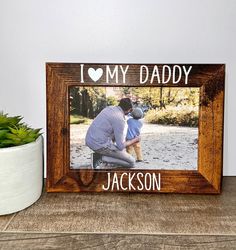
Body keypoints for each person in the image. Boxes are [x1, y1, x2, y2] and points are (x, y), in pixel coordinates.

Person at [85, 98, 139, 168]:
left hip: (90, 140)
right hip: (99, 145)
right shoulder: (120, 119)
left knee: (120, 153)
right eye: (131, 110)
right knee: (132, 162)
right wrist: (135, 140)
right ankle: (100, 158)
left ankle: (101, 157)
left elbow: (111, 134)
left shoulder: (109, 108)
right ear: (129, 110)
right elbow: (121, 146)